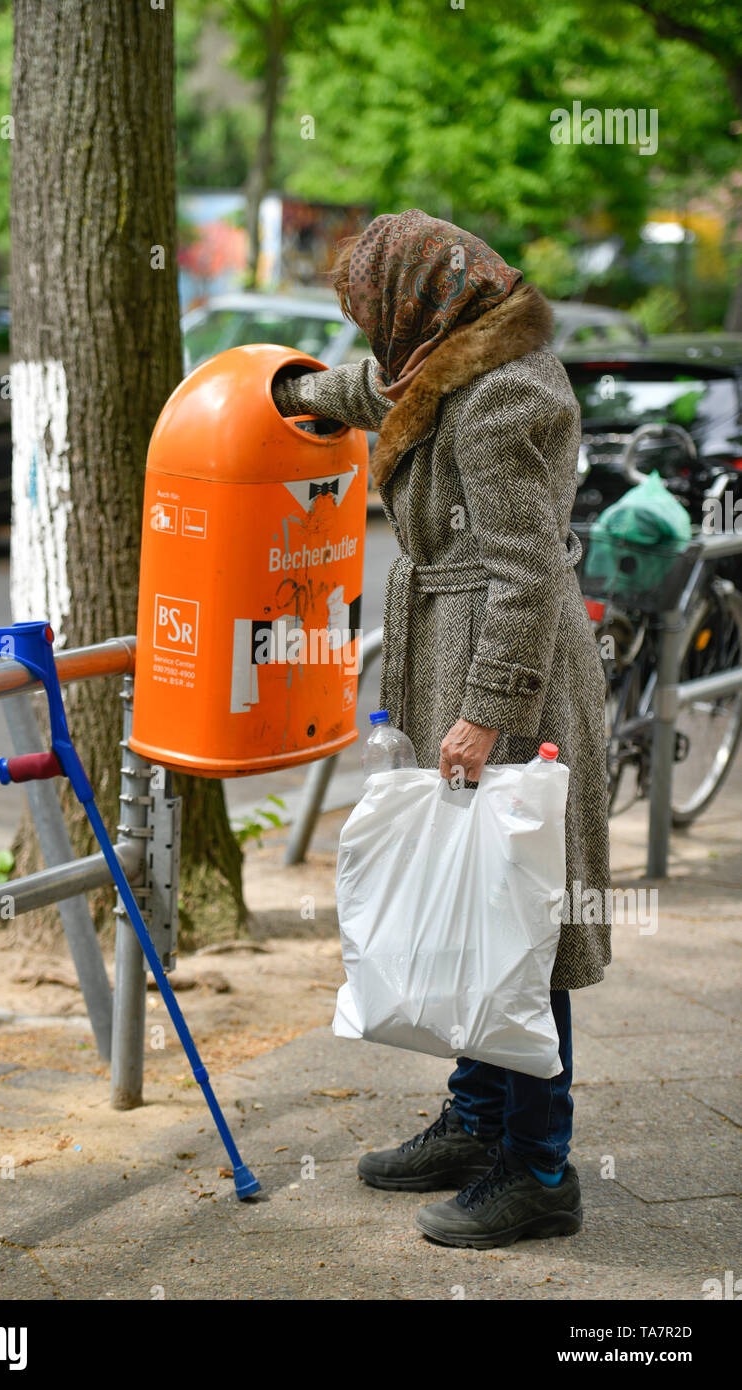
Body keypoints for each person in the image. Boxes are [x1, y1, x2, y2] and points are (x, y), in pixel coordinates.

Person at [271, 209, 612, 1249]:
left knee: (519, 929)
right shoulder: (441, 359)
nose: (372, 330)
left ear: (420, 300)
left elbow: (520, 570)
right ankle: (474, 1120)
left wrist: (482, 712)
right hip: (449, 645)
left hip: (505, 675)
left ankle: (539, 1170)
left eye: (375, 307)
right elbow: (370, 394)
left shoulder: (505, 390)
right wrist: (283, 391)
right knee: (475, 907)